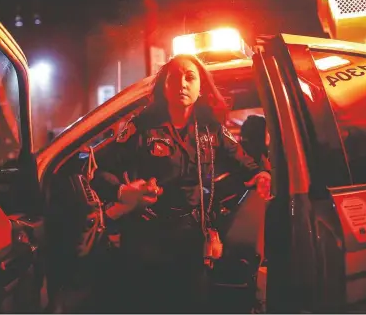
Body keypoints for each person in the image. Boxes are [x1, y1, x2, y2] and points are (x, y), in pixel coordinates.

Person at [91, 54, 271, 313]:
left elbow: (245, 165)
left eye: (190, 77)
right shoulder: (141, 126)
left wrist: (262, 175)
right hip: (147, 238)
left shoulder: (210, 129)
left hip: (192, 239)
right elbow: (98, 168)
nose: (182, 84)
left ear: (200, 88)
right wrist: (122, 191)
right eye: (173, 78)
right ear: (164, 87)